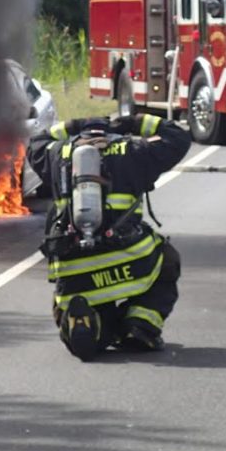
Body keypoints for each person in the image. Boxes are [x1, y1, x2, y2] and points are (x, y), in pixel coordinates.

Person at [26, 113, 190, 361]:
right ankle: (140, 325)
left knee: (95, 321)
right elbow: (177, 137)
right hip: (129, 258)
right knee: (168, 259)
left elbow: (36, 142)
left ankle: (86, 325)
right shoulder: (134, 150)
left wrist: (71, 125)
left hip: (74, 268)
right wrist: (133, 122)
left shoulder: (57, 153)